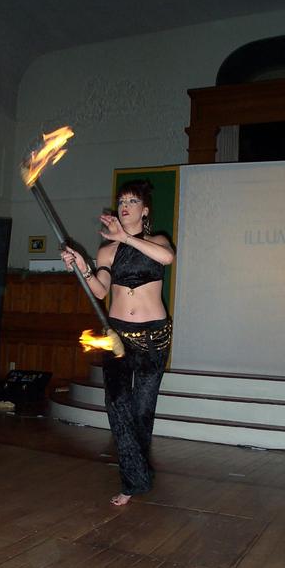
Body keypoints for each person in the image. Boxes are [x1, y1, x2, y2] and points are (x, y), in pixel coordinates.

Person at [61, 179, 174, 506]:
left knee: (142, 410)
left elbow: (167, 258)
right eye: (122, 201)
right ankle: (134, 480)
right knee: (117, 407)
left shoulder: (156, 241)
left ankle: (138, 475)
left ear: (145, 210)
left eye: (132, 201)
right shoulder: (107, 250)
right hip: (118, 337)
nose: (125, 206)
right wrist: (82, 267)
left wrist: (125, 237)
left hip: (153, 338)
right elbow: (99, 290)